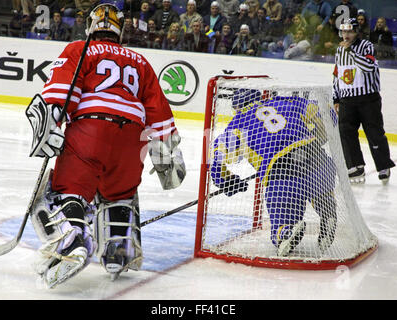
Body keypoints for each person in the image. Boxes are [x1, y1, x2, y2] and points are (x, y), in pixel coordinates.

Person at [25, 3, 186, 288]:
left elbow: (60, 93)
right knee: (119, 193)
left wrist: (50, 128)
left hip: (90, 130)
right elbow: (159, 114)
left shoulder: (80, 48)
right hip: (132, 138)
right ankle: (118, 250)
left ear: (91, 25)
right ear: (119, 30)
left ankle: (72, 239)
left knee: (67, 190)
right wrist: (166, 157)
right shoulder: (140, 61)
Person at [210, 89, 337, 256]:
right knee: (321, 193)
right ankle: (327, 211)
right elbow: (329, 114)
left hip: (281, 172)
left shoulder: (239, 122)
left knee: (283, 213)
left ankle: (285, 232)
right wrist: (317, 137)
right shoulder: (285, 102)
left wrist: (225, 180)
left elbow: (218, 155)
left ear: (238, 107)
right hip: (316, 158)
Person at [333, 18, 395, 184]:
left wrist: (351, 52)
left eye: (349, 31)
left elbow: (368, 67)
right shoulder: (339, 50)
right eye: (344, 31)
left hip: (368, 99)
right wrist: (336, 97)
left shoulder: (366, 46)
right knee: (346, 132)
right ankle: (355, 166)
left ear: (356, 32)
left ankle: (383, 167)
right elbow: (337, 74)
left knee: (374, 133)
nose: (346, 35)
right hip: (347, 99)